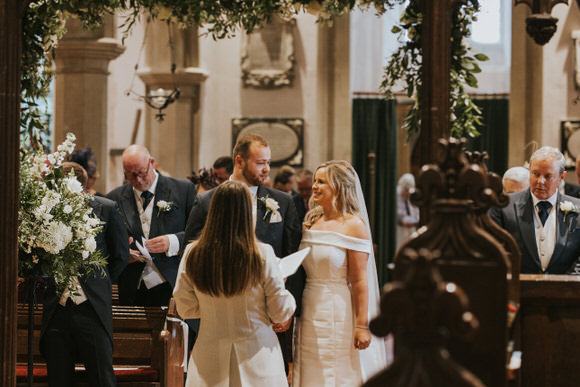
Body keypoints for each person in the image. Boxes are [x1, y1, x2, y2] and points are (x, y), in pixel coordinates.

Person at [183, 133, 302, 374]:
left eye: (269, 162)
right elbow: (192, 265)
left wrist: (285, 314)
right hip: (214, 324)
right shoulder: (207, 202)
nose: (267, 169)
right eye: (260, 163)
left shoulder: (283, 202)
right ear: (239, 161)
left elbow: (293, 254)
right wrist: (205, 321)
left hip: (267, 320)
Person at [173, 181, 296, 387]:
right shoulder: (262, 254)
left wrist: (212, 311)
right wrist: (285, 291)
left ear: (214, 212)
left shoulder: (193, 253)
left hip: (209, 358)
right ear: (248, 213)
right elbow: (279, 312)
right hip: (258, 357)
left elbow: (185, 307)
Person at [292, 160, 386, 386]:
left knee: (338, 367)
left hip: (339, 307)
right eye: (314, 181)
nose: (314, 186)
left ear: (339, 187)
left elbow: (360, 280)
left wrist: (362, 325)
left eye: (321, 182)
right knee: (310, 365)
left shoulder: (354, 225)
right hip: (309, 306)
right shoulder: (311, 221)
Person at [41, 162, 130, 387]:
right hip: (57, 308)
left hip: (92, 308)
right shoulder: (47, 211)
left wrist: (99, 282)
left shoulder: (106, 208)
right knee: (58, 378)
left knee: (101, 377)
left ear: (79, 186)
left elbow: (120, 255)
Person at [106, 144, 196, 306]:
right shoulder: (114, 199)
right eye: (131, 175)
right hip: (133, 287)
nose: (138, 180)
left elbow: (199, 233)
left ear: (152, 163)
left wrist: (173, 241)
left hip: (172, 282)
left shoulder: (183, 190)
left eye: (141, 173)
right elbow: (106, 242)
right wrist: (122, 252)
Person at [490, 146, 580, 274]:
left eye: (548, 176)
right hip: (517, 288)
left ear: (561, 177)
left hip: (565, 289)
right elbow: (492, 251)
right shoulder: (503, 206)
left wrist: (567, 283)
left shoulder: (578, 209)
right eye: (535, 174)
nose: (540, 181)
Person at [396, 173, 420, 248]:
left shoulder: (412, 196)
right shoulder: (396, 195)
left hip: (411, 230)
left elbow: (416, 211)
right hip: (399, 229)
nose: (407, 192)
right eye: (406, 189)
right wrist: (401, 221)